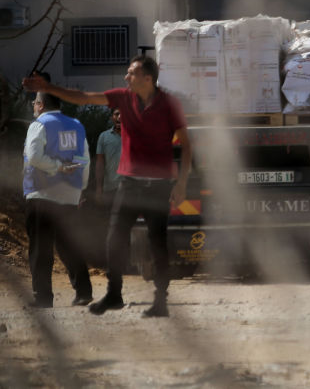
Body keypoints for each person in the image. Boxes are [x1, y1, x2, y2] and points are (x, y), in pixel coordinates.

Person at [23, 55, 192, 318]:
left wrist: (181, 183)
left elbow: (187, 144)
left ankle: (161, 299)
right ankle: (114, 294)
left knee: (157, 241)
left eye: (131, 73)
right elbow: (84, 97)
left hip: (158, 186)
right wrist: (48, 87)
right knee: (115, 238)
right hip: (129, 183)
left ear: (147, 78)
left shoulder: (170, 104)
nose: (126, 77)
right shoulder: (123, 97)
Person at [22, 91, 93, 308]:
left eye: (35, 102)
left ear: (41, 105)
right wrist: (80, 187)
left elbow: (33, 156)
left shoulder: (39, 124)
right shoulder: (77, 125)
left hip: (42, 193)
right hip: (69, 194)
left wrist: (56, 167)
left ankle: (43, 297)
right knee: (69, 244)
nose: (34, 106)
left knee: (40, 248)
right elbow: (85, 159)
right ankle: (83, 292)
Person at [94, 108, 123, 206]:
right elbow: (100, 163)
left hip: (130, 189)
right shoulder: (104, 136)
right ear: (112, 117)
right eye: (117, 114)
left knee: (127, 219)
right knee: (109, 219)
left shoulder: (134, 136)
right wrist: (99, 188)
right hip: (110, 188)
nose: (120, 117)